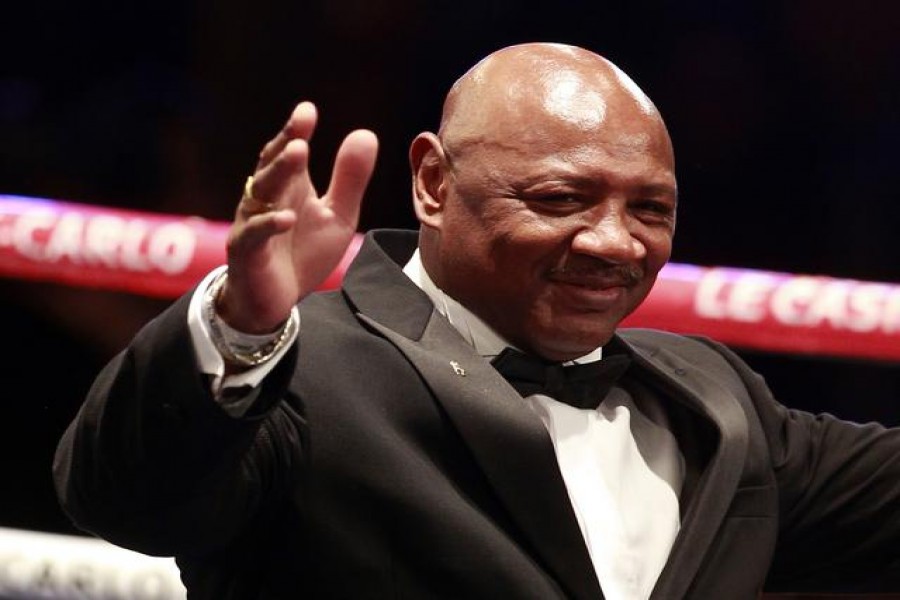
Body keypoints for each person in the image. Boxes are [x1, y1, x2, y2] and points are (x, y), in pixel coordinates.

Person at [54, 42, 900, 600]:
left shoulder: (712, 397)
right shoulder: (310, 374)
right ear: (431, 184)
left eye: (650, 208)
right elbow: (126, 500)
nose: (614, 242)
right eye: (561, 199)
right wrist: (240, 326)